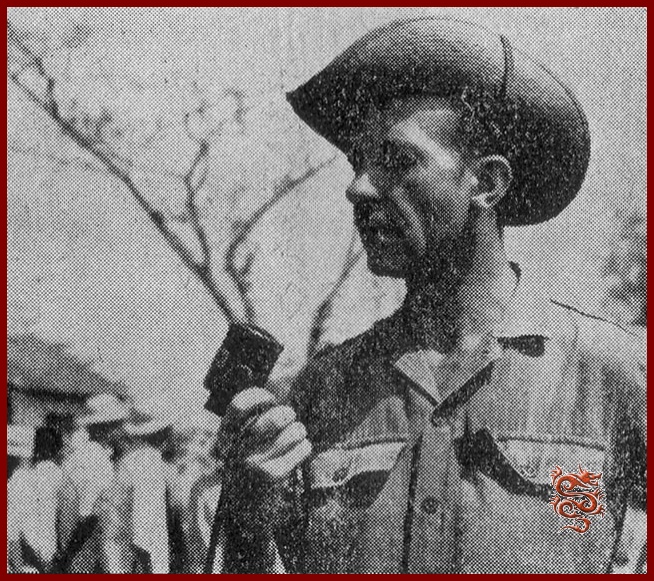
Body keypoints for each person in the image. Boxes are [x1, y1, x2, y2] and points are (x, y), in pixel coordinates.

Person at [217, 18, 646, 574]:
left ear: (486, 183)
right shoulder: (319, 393)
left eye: (398, 161)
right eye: (357, 164)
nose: (358, 187)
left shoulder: (613, 376)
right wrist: (249, 524)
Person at [54, 393, 126, 572]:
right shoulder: (99, 460)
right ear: (106, 428)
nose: (120, 430)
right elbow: (88, 514)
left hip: (71, 542)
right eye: (116, 425)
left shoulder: (75, 456)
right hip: (86, 545)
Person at [7, 417, 65, 573]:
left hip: (28, 560)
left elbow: (12, 532)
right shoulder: (54, 475)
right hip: (45, 559)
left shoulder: (18, 479)